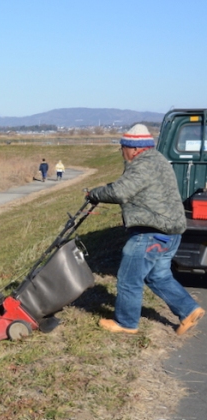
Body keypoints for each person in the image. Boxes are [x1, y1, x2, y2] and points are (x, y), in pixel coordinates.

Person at [87, 124, 204, 335]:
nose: (122, 153)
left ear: (133, 148)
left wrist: (94, 194)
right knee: (158, 276)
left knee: (129, 278)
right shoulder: (157, 160)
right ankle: (188, 310)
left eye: (122, 148)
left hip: (151, 233)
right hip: (171, 232)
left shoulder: (143, 164)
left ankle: (126, 323)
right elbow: (131, 187)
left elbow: (121, 192)